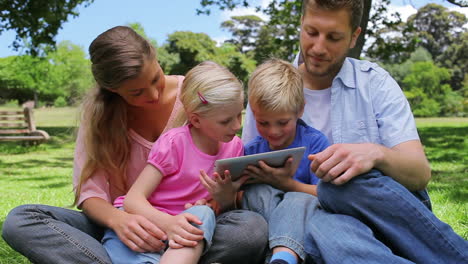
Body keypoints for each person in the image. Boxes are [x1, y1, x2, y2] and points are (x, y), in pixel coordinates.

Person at [2, 26, 268, 264]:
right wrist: (121, 222)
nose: (153, 95)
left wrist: (212, 204)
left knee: (249, 229)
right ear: (113, 89)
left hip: (189, 227)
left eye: (155, 78)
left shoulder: (199, 95)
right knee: (20, 222)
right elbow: (90, 195)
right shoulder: (99, 118)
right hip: (122, 224)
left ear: (156, 58)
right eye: (137, 92)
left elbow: (222, 180)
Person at [242, 0, 468, 263]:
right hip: (320, 220)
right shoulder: (267, 92)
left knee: (340, 187)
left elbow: (419, 175)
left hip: (387, 215)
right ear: (301, 25)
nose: (318, 47)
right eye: (311, 32)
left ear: (354, 36)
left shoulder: (375, 83)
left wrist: (375, 154)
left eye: (334, 37)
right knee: (327, 228)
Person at [101, 61, 246, 264]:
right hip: (144, 224)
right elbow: (132, 200)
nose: (237, 125)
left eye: (239, 114)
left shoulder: (235, 147)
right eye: (226, 121)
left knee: (203, 214)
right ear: (195, 120)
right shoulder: (174, 143)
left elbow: (221, 206)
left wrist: (219, 201)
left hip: (185, 231)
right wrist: (169, 223)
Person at [239, 58, 329, 264]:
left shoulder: (314, 143)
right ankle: (279, 257)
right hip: (263, 222)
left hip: (302, 220)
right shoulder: (251, 150)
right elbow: (241, 200)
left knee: (298, 198)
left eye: (282, 122)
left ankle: (282, 257)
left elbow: (324, 195)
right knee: (258, 192)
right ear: (253, 112)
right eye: (263, 123)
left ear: (300, 110)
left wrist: (288, 185)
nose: (273, 131)